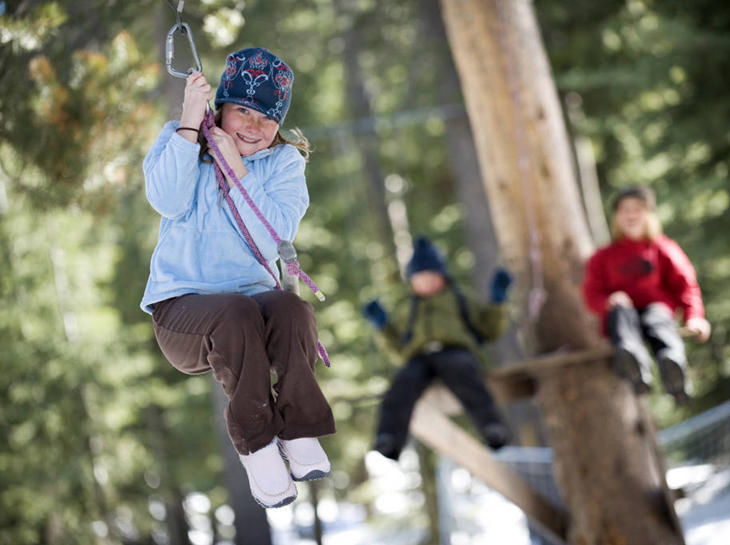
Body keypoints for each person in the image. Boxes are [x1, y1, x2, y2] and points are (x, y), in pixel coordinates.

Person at [140, 47, 335, 509]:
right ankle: (257, 444)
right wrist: (191, 123)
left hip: (253, 312)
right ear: (221, 106)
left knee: (290, 307)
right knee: (236, 310)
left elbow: (273, 240)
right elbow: (167, 200)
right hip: (182, 315)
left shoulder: (284, 165)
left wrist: (240, 169)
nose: (252, 125)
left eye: (266, 118)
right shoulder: (182, 144)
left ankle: (299, 428)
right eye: (243, 110)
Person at [363, 237, 513, 460]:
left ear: (442, 276)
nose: (426, 283)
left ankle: (492, 428)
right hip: (419, 357)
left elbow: (490, 330)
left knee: (465, 375)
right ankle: (389, 439)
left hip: (455, 351)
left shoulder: (460, 298)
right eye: (420, 279)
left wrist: (498, 302)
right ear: (412, 281)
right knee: (402, 385)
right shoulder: (407, 308)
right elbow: (398, 349)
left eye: (430, 277)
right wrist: (382, 326)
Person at [582, 186, 711, 404]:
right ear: (615, 216)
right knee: (622, 315)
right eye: (624, 209)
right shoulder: (603, 257)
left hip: (657, 312)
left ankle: (673, 367)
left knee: (658, 317)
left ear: (649, 214)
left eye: (637, 209)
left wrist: (694, 316)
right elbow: (591, 294)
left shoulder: (662, 248)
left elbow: (686, 285)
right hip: (624, 320)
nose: (631, 215)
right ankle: (635, 367)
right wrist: (609, 301)